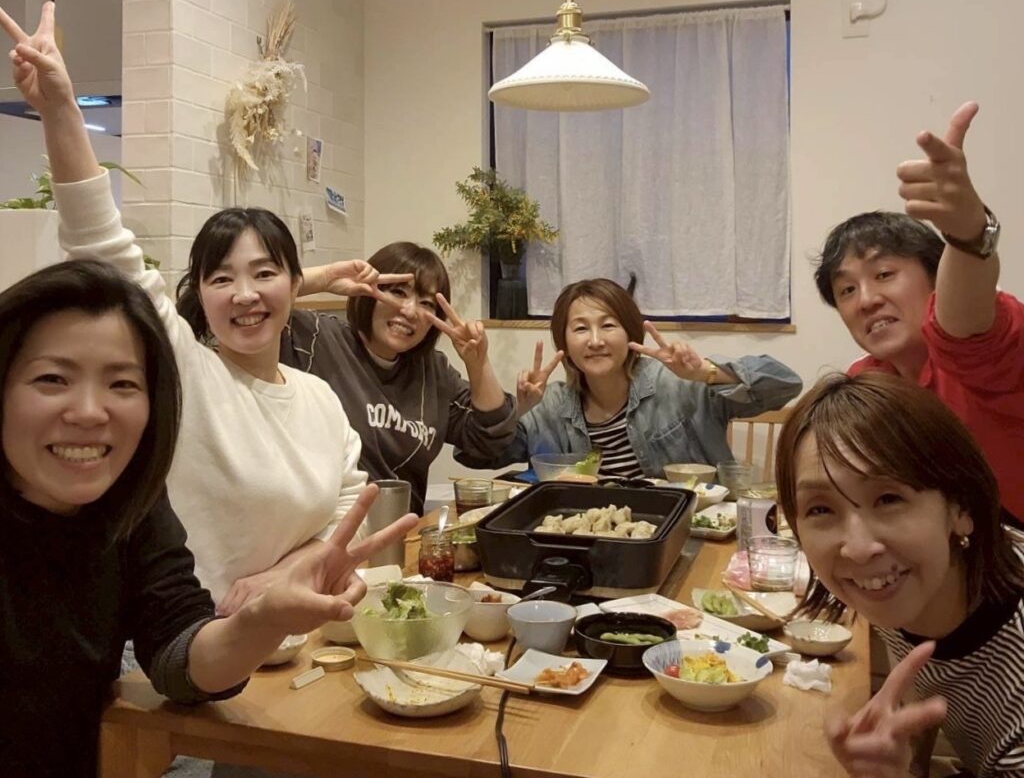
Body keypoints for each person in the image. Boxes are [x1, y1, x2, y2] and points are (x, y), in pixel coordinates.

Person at [0, 2, 406, 615]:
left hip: (300, 644)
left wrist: (291, 571)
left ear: (295, 285)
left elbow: (351, 505)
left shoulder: (318, 398)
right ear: (200, 294)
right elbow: (100, 242)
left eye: (264, 274)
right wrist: (60, 109)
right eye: (222, 278)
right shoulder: (185, 371)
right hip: (187, 644)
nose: (244, 294)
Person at [0, 258, 416, 778]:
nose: (89, 411)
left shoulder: (132, 505)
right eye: (52, 379)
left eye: (121, 384)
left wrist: (265, 620)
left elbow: (178, 659)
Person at [774, 371, 1024, 778]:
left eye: (889, 498)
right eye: (820, 509)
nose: (858, 548)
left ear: (961, 508)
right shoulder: (911, 585)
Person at [813, 103, 1024, 524]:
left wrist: (967, 234)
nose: (866, 300)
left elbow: (961, 327)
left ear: (935, 277)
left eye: (884, 274)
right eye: (847, 290)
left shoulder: (985, 352)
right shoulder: (868, 380)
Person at [281, 241, 516, 514]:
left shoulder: (433, 371)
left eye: (426, 303)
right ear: (368, 291)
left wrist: (479, 364)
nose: (410, 311)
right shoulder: (316, 339)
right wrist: (324, 278)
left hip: (403, 530)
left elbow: (490, 439)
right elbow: (249, 307)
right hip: (323, 529)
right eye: (397, 292)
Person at [492, 278, 802, 478]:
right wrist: (519, 410)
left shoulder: (678, 383)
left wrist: (706, 372)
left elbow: (786, 384)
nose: (596, 341)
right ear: (565, 342)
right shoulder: (549, 404)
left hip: (691, 535)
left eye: (608, 325)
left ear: (630, 333)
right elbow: (487, 455)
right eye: (581, 328)